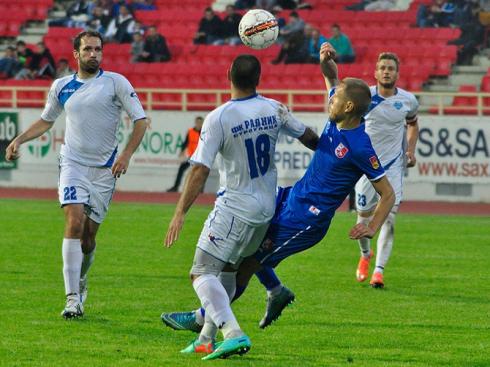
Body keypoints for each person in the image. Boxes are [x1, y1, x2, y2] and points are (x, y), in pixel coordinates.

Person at [161, 43, 395, 334]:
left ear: (348, 107)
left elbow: (388, 192)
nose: (329, 101)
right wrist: (326, 61)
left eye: (335, 101)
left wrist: (372, 226)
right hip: (292, 196)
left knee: (247, 263)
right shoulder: (339, 117)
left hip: (307, 219)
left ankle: (204, 322)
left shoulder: (360, 146)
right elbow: (332, 80)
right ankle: (274, 290)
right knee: (246, 250)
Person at [163, 54, 318, 359]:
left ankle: (232, 332)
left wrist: (179, 212)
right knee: (229, 271)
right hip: (266, 208)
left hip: (235, 206)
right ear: (258, 79)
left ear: (227, 75)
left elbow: (199, 169)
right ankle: (206, 339)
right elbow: (310, 138)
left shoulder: (220, 117)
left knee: (201, 272)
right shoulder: (274, 108)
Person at [5, 31, 148, 319]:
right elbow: (47, 120)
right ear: (76, 54)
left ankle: (82, 280)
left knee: (88, 239)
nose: (94, 54)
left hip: (105, 170)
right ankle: (72, 298)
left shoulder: (116, 83)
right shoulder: (62, 86)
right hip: (72, 164)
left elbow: (141, 121)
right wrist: (19, 140)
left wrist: (125, 155)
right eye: (88, 50)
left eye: (98, 49)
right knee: (73, 220)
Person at [354, 52, 419, 288]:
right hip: (365, 168)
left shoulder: (408, 100)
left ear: (397, 73)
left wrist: (410, 149)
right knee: (363, 217)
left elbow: (412, 124)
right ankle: (365, 255)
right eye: (382, 68)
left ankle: (378, 272)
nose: (386, 71)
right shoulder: (363, 97)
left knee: (389, 221)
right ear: (375, 72)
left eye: (391, 68)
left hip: (392, 168)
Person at [166, 116, 203, 193]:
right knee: (182, 168)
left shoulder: (203, 132)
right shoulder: (190, 131)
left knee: (200, 172)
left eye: (200, 123)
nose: (199, 124)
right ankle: (176, 187)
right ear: (195, 122)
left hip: (200, 157)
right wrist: (182, 151)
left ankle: (200, 189)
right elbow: (186, 142)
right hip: (192, 156)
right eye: (197, 122)